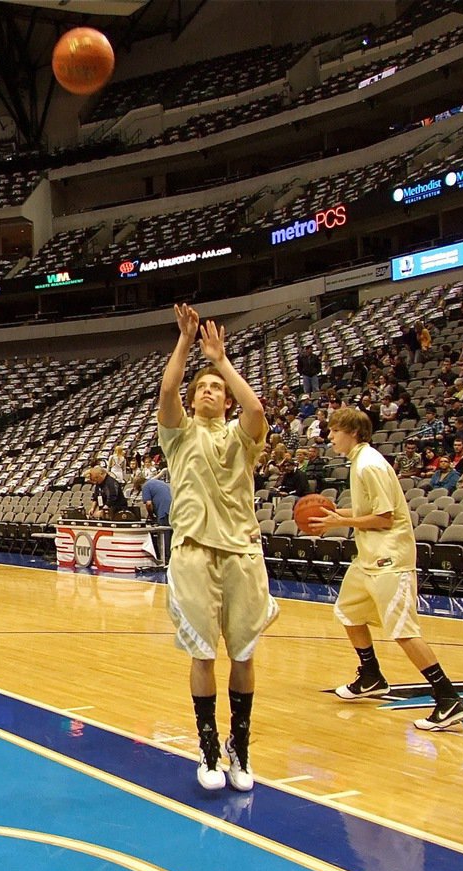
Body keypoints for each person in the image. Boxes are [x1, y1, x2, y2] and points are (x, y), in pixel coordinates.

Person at [158, 303, 278, 793]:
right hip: (192, 552)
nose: (210, 391)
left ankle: (240, 750)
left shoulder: (241, 436)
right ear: (193, 400)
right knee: (203, 655)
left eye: (217, 390)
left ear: (225, 401)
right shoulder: (179, 434)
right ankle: (207, 749)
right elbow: (167, 390)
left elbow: (257, 410)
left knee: (244, 655)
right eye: (203, 387)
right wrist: (186, 344)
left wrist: (222, 361)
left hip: (241, 554)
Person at [310, 408, 463, 731]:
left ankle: (447, 698)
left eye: (334, 431)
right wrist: (332, 512)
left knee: (402, 631)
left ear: (352, 432)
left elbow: (384, 518)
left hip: (390, 559)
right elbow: (367, 510)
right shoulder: (359, 462)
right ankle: (371, 676)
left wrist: (341, 521)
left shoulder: (369, 464)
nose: (329, 437)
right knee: (348, 613)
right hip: (368, 559)